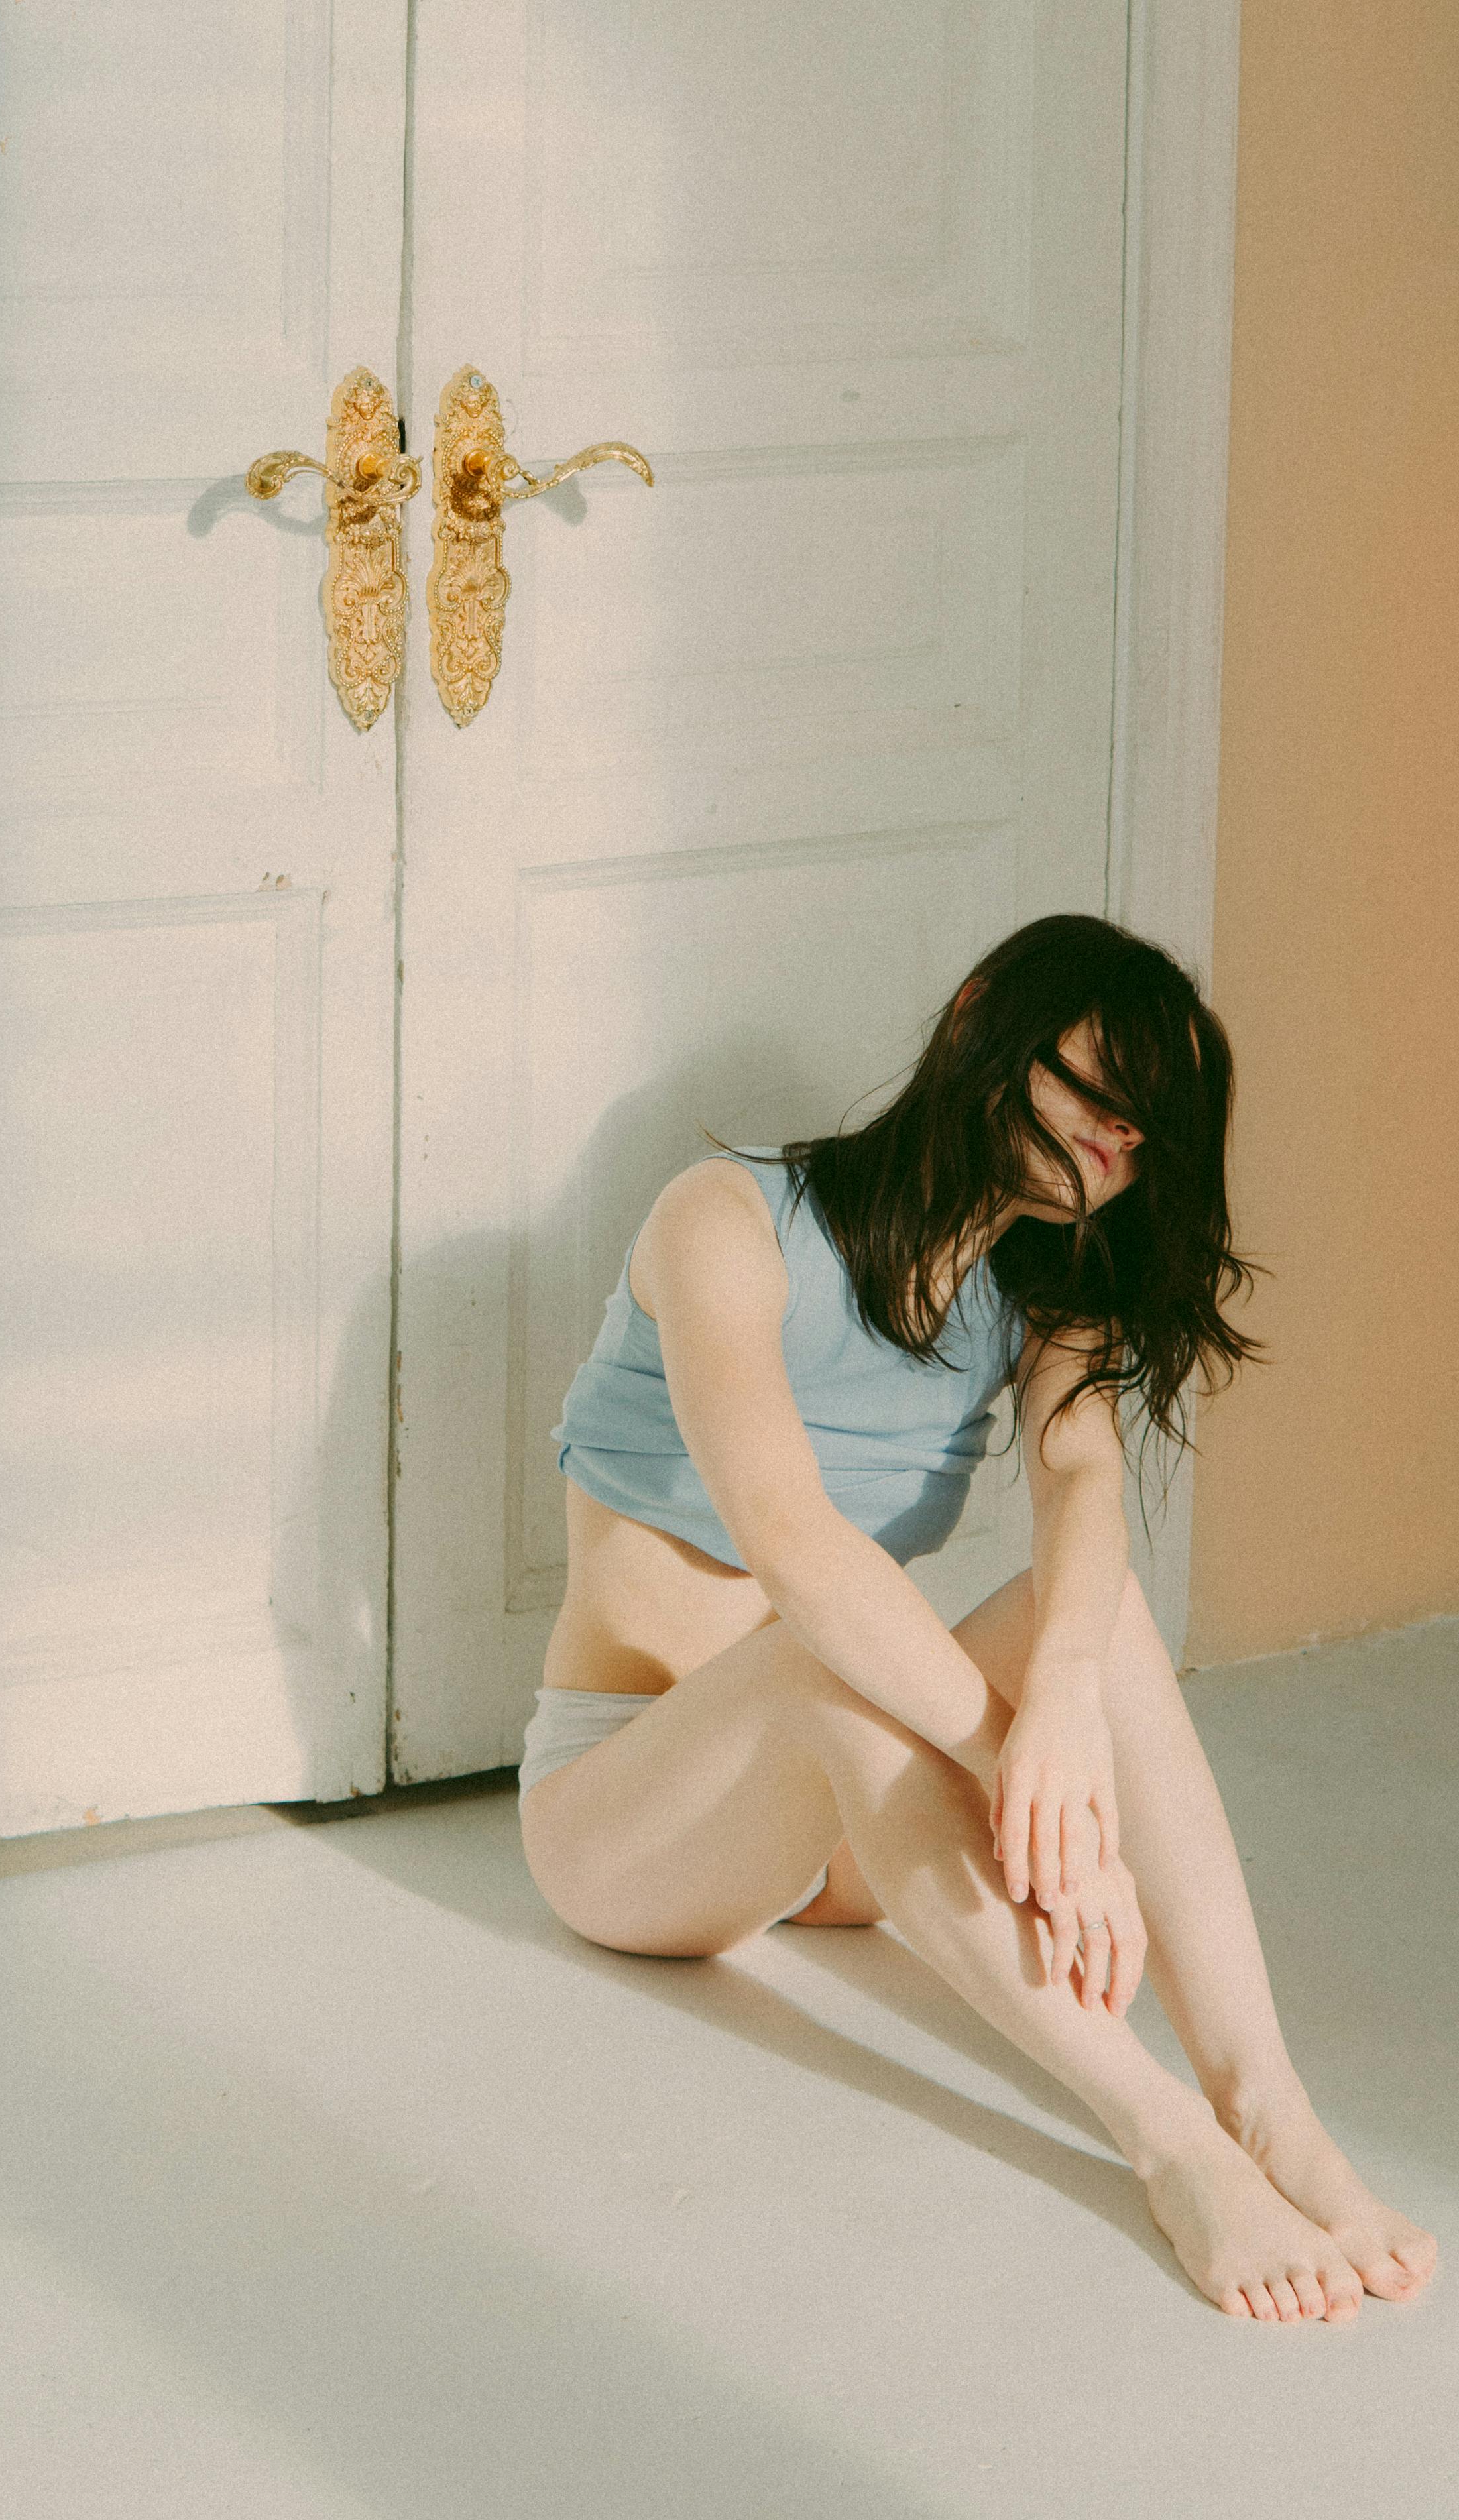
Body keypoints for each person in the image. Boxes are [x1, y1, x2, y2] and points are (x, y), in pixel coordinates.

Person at [519, 913, 1436, 2324]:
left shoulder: (1039, 1290)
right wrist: (1020, 1760)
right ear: (979, 1021)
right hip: (630, 1814)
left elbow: (1079, 1488)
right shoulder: (724, 1221)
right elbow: (797, 1543)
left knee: (1099, 1616)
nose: (1118, 1139)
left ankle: (1265, 2108)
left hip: (846, 1847)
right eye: (1094, 1088)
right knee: (822, 1668)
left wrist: (1063, 1701)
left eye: (1145, 1129)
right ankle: (1170, 2140)